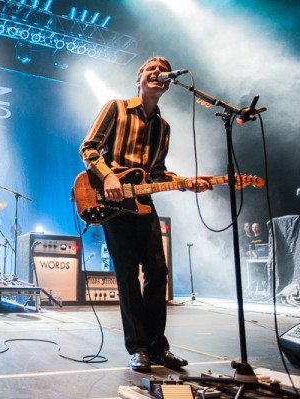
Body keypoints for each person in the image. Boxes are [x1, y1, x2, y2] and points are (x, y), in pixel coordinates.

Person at [79, 56, 213, 372]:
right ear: (139, 78)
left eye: (162, 69)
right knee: (126, 275)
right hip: (111, 203)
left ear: (168, 83)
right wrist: (109, 175)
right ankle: (137, 347)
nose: (158, 72)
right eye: (151, 68)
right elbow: (89, 148)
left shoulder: (163, 127)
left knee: (158, 271)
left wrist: (184, 183)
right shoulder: (117, 108)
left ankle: (157, 347)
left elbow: (156, 172)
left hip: (142, 203)